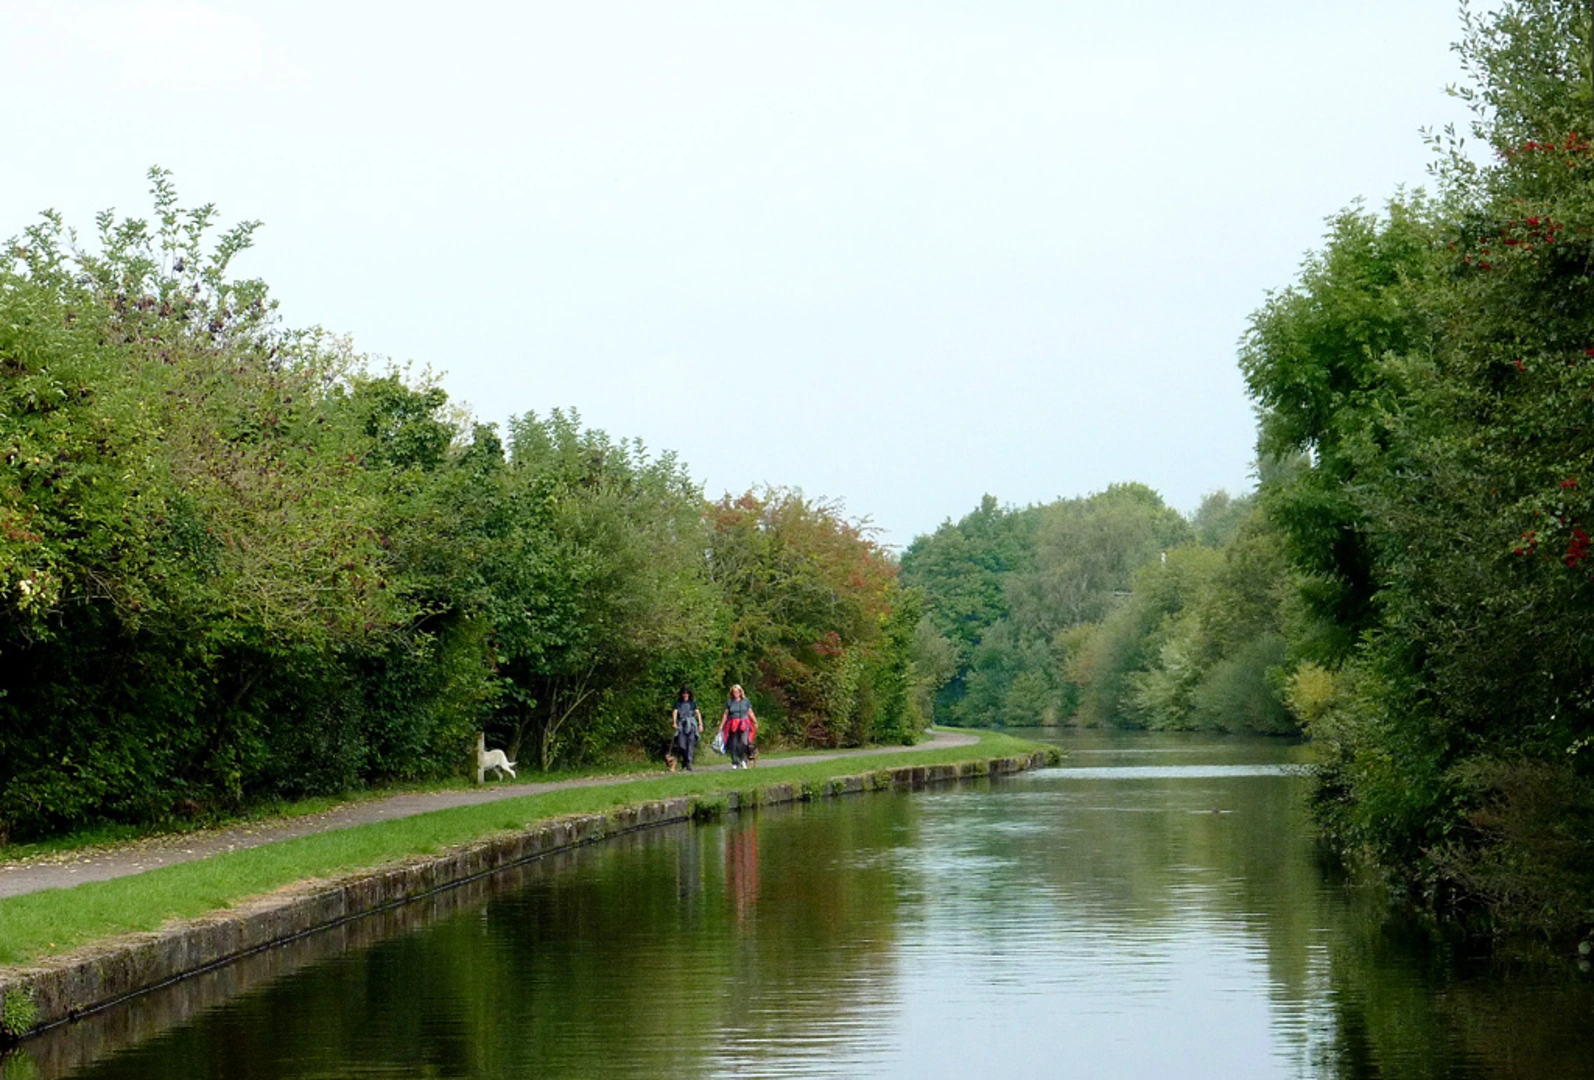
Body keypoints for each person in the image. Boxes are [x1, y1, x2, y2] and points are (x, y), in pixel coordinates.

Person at [719, 684, 757, 769]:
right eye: (734, 692)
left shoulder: (746, 701)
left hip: (744, 723)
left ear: (740, 692)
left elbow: (750, 712)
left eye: (737, 692)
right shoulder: (730, 702)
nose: (736, 693)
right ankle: (734, 761)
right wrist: (722, 725)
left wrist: (755, 721)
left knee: (744, 742)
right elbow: (725, 714)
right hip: (733, 724)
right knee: (734, 743)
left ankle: (743, 760)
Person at [671, 687, 702, 771]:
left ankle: (689, 763)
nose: (685, 695)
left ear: (689, 694)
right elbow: (675, 712)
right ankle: (684, 760)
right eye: (683, 693)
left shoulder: (693, 703)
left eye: (686, 693)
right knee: (682, 745)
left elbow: (697, 713)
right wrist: (674, 722)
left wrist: (700, 724)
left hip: (691, 724)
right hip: (681, 724)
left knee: (691, 743)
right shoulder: (678, 703)